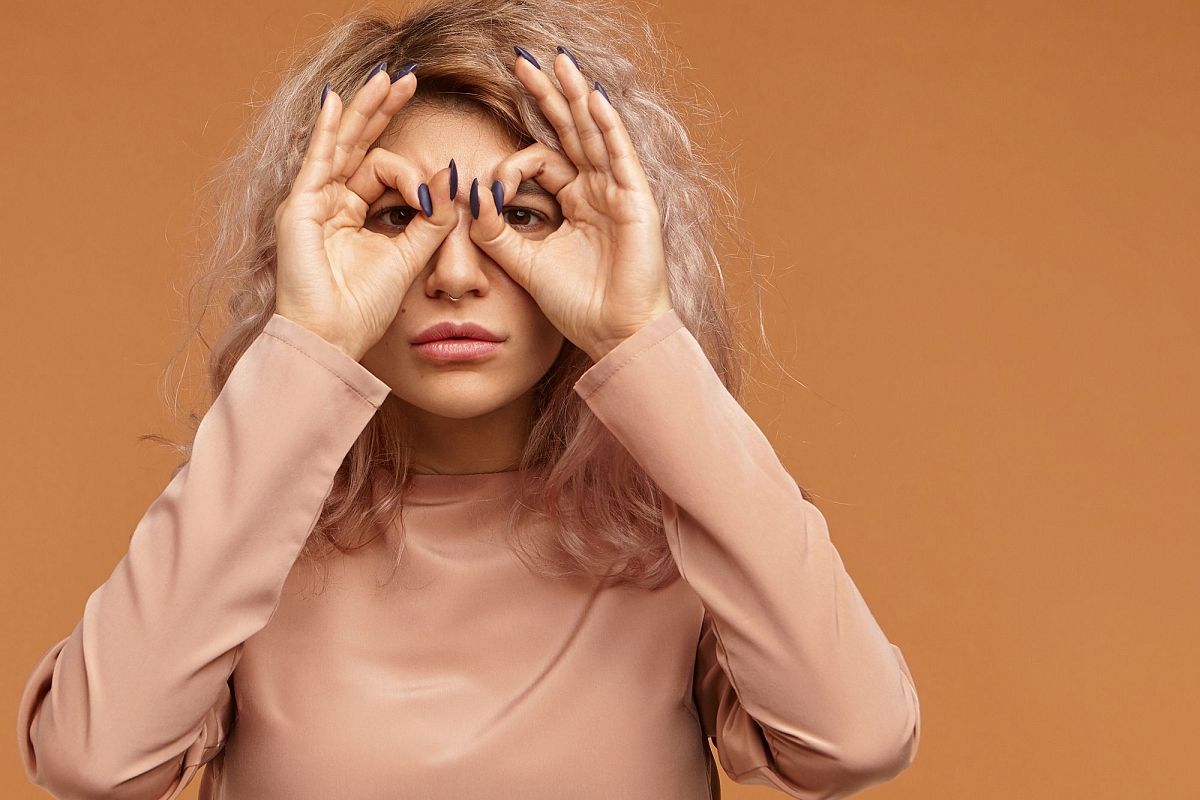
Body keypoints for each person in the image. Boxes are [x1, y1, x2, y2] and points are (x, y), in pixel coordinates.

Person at [15, 1, 921, 798]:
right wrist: (307, 342)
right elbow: (94, 761)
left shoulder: (690, 543)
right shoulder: (241, 536)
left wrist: (640, 335)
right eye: (396, 217)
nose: (454, 274)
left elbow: (855, 741)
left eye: (520, 216)